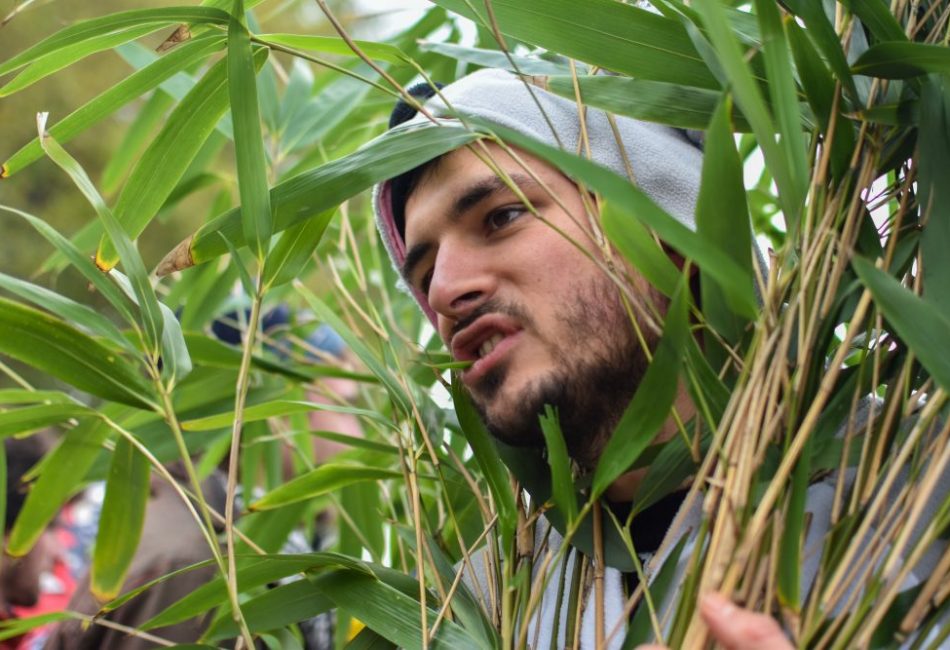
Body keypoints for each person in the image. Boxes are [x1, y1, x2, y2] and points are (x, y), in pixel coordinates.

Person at [372, 69, 948, 648]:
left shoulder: (918, 483)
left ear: (669, 229)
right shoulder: (481, 602)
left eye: (502, 216)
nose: (443, 293)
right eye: (423, 274)